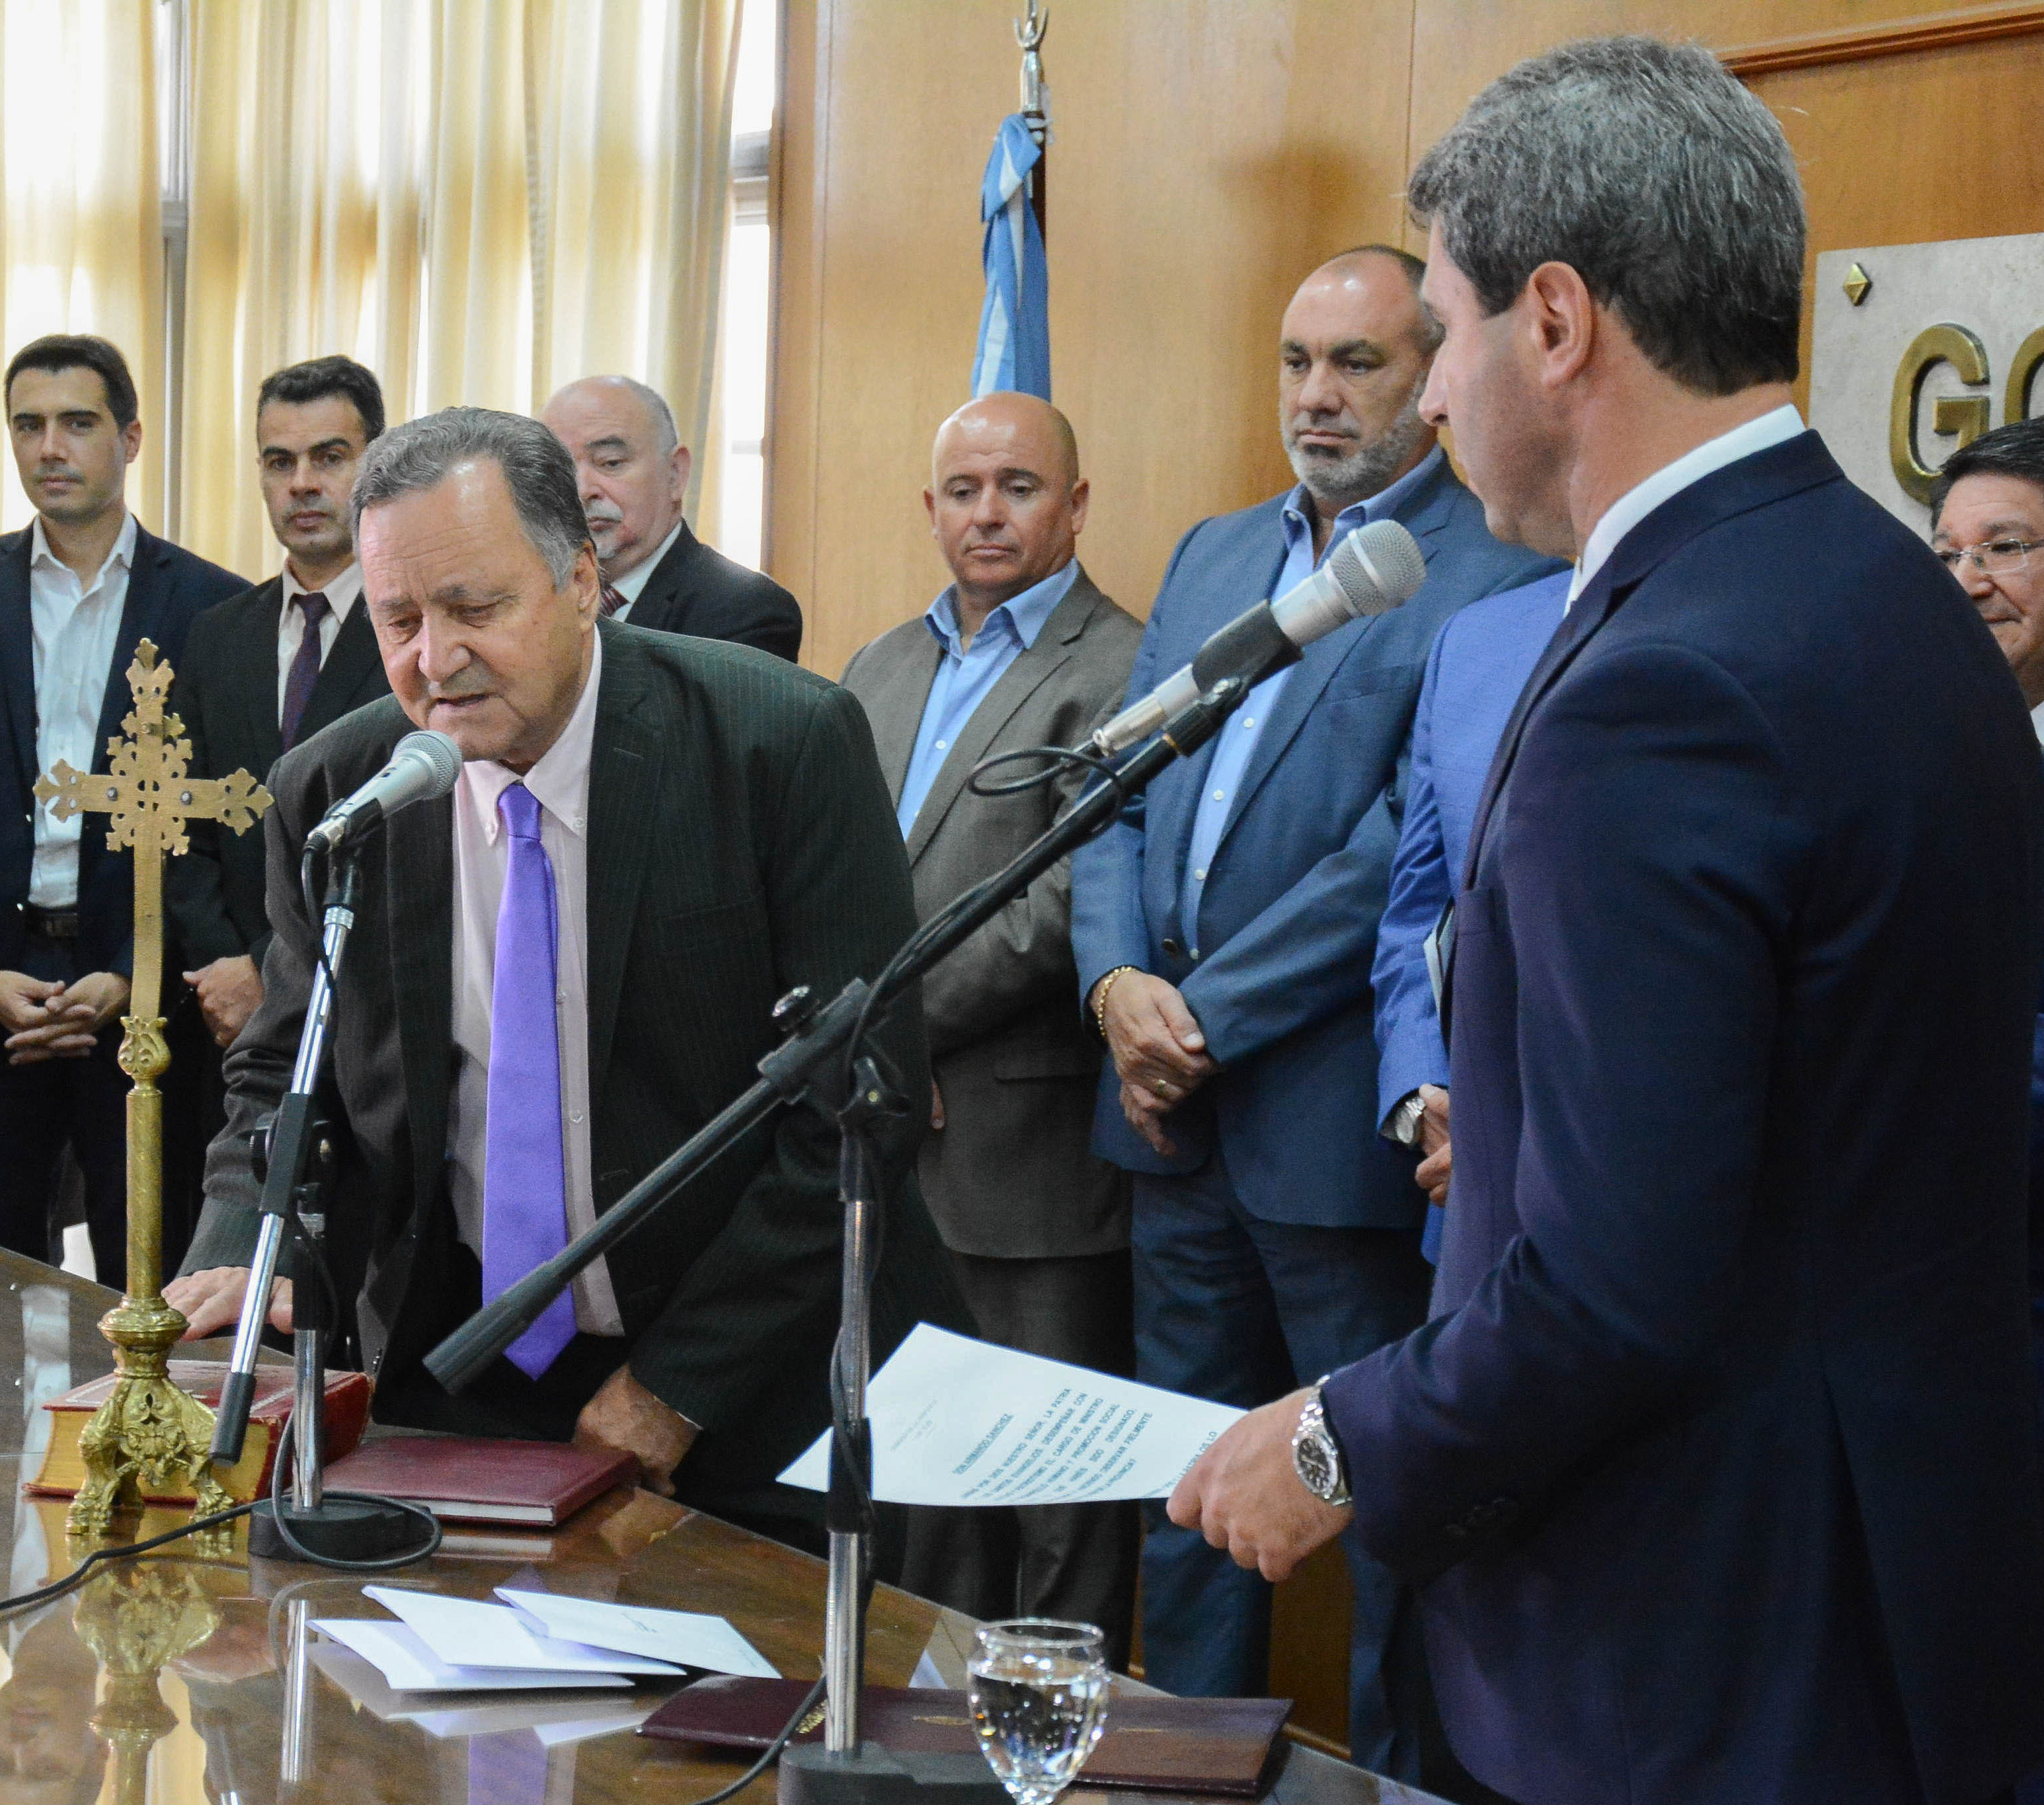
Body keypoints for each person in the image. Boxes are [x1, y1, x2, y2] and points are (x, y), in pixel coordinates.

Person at [1170, 38, 2044, 1805]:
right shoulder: (1881, 592)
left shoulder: (1664, 686)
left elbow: (1609, 1282)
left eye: (1442, 328)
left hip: (1704, 1651)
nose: (1432, 393)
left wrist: (1332, 1440)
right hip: (1901, 1592)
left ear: (1554, 321)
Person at [167, 408, 953, 1551]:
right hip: (456, 1375)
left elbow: (857, 1113)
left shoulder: (778, 744)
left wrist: (673, 1388)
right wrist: (240, 1244)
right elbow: (287, 1064)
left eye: (475, 609)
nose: (435, 660)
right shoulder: (341, 788)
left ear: (583, 581)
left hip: (757, 1384)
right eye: (399, 619)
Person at [1068, 247, 1561, 1776]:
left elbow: (1397, 858)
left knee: (1387, 1514)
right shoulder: (1218, 553)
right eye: (1295, 361)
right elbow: (1113, 787)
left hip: (1328, 1134)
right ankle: (1176, 1777)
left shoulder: (1491, 572)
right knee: (1181, 1492)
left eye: (1356, 362)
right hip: (1166, 1126)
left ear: (1431, 375)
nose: (1316, 395)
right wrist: (1114, 988)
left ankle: (1401, 1784)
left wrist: (1197, 1017)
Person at [840, 391, 1143, 1664]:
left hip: (1030, 1157)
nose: (987, 513)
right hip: (888, 1148)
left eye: (1018, 487)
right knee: (924, 1480)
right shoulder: (878, 665)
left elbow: (1066, 903)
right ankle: (926, 1737)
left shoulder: (1123, 664)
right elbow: (829, 875)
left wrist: (901, 1035)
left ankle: (1065, 1743)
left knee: (1057, 1493)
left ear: (1075, 504)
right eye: (962, 490)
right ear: (929, 508)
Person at [0, 334, 245, 1289]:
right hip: (4, 979)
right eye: (28, 425)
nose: (49, 447)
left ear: (131, 437)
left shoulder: (214, 609)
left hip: (145, 985)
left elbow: (220, 829)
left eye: (77, 423)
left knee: (145, 1268)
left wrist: (136, 971)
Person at [162, 356, 392, 1267]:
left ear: (374, 462)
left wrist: (271, 971)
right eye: (278, 460)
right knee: (217, 1272)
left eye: (329, 456)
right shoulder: (219, 631)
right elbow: (178, 816)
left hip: (360, 1012)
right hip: (220, 1021)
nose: (302, 482)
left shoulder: (412, 628)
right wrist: (221, 964)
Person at [1370, 568, 1569, 1259]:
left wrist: (1517, 1137)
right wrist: (1425, 1094)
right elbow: (1419, 910)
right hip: (1469, 1211)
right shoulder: (1475, 637)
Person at [539, 375, 801, 659]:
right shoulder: (536, 597)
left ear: (675, 473)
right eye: (561, 470)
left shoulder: (745, 609)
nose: (582, 490)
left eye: (610, 463)